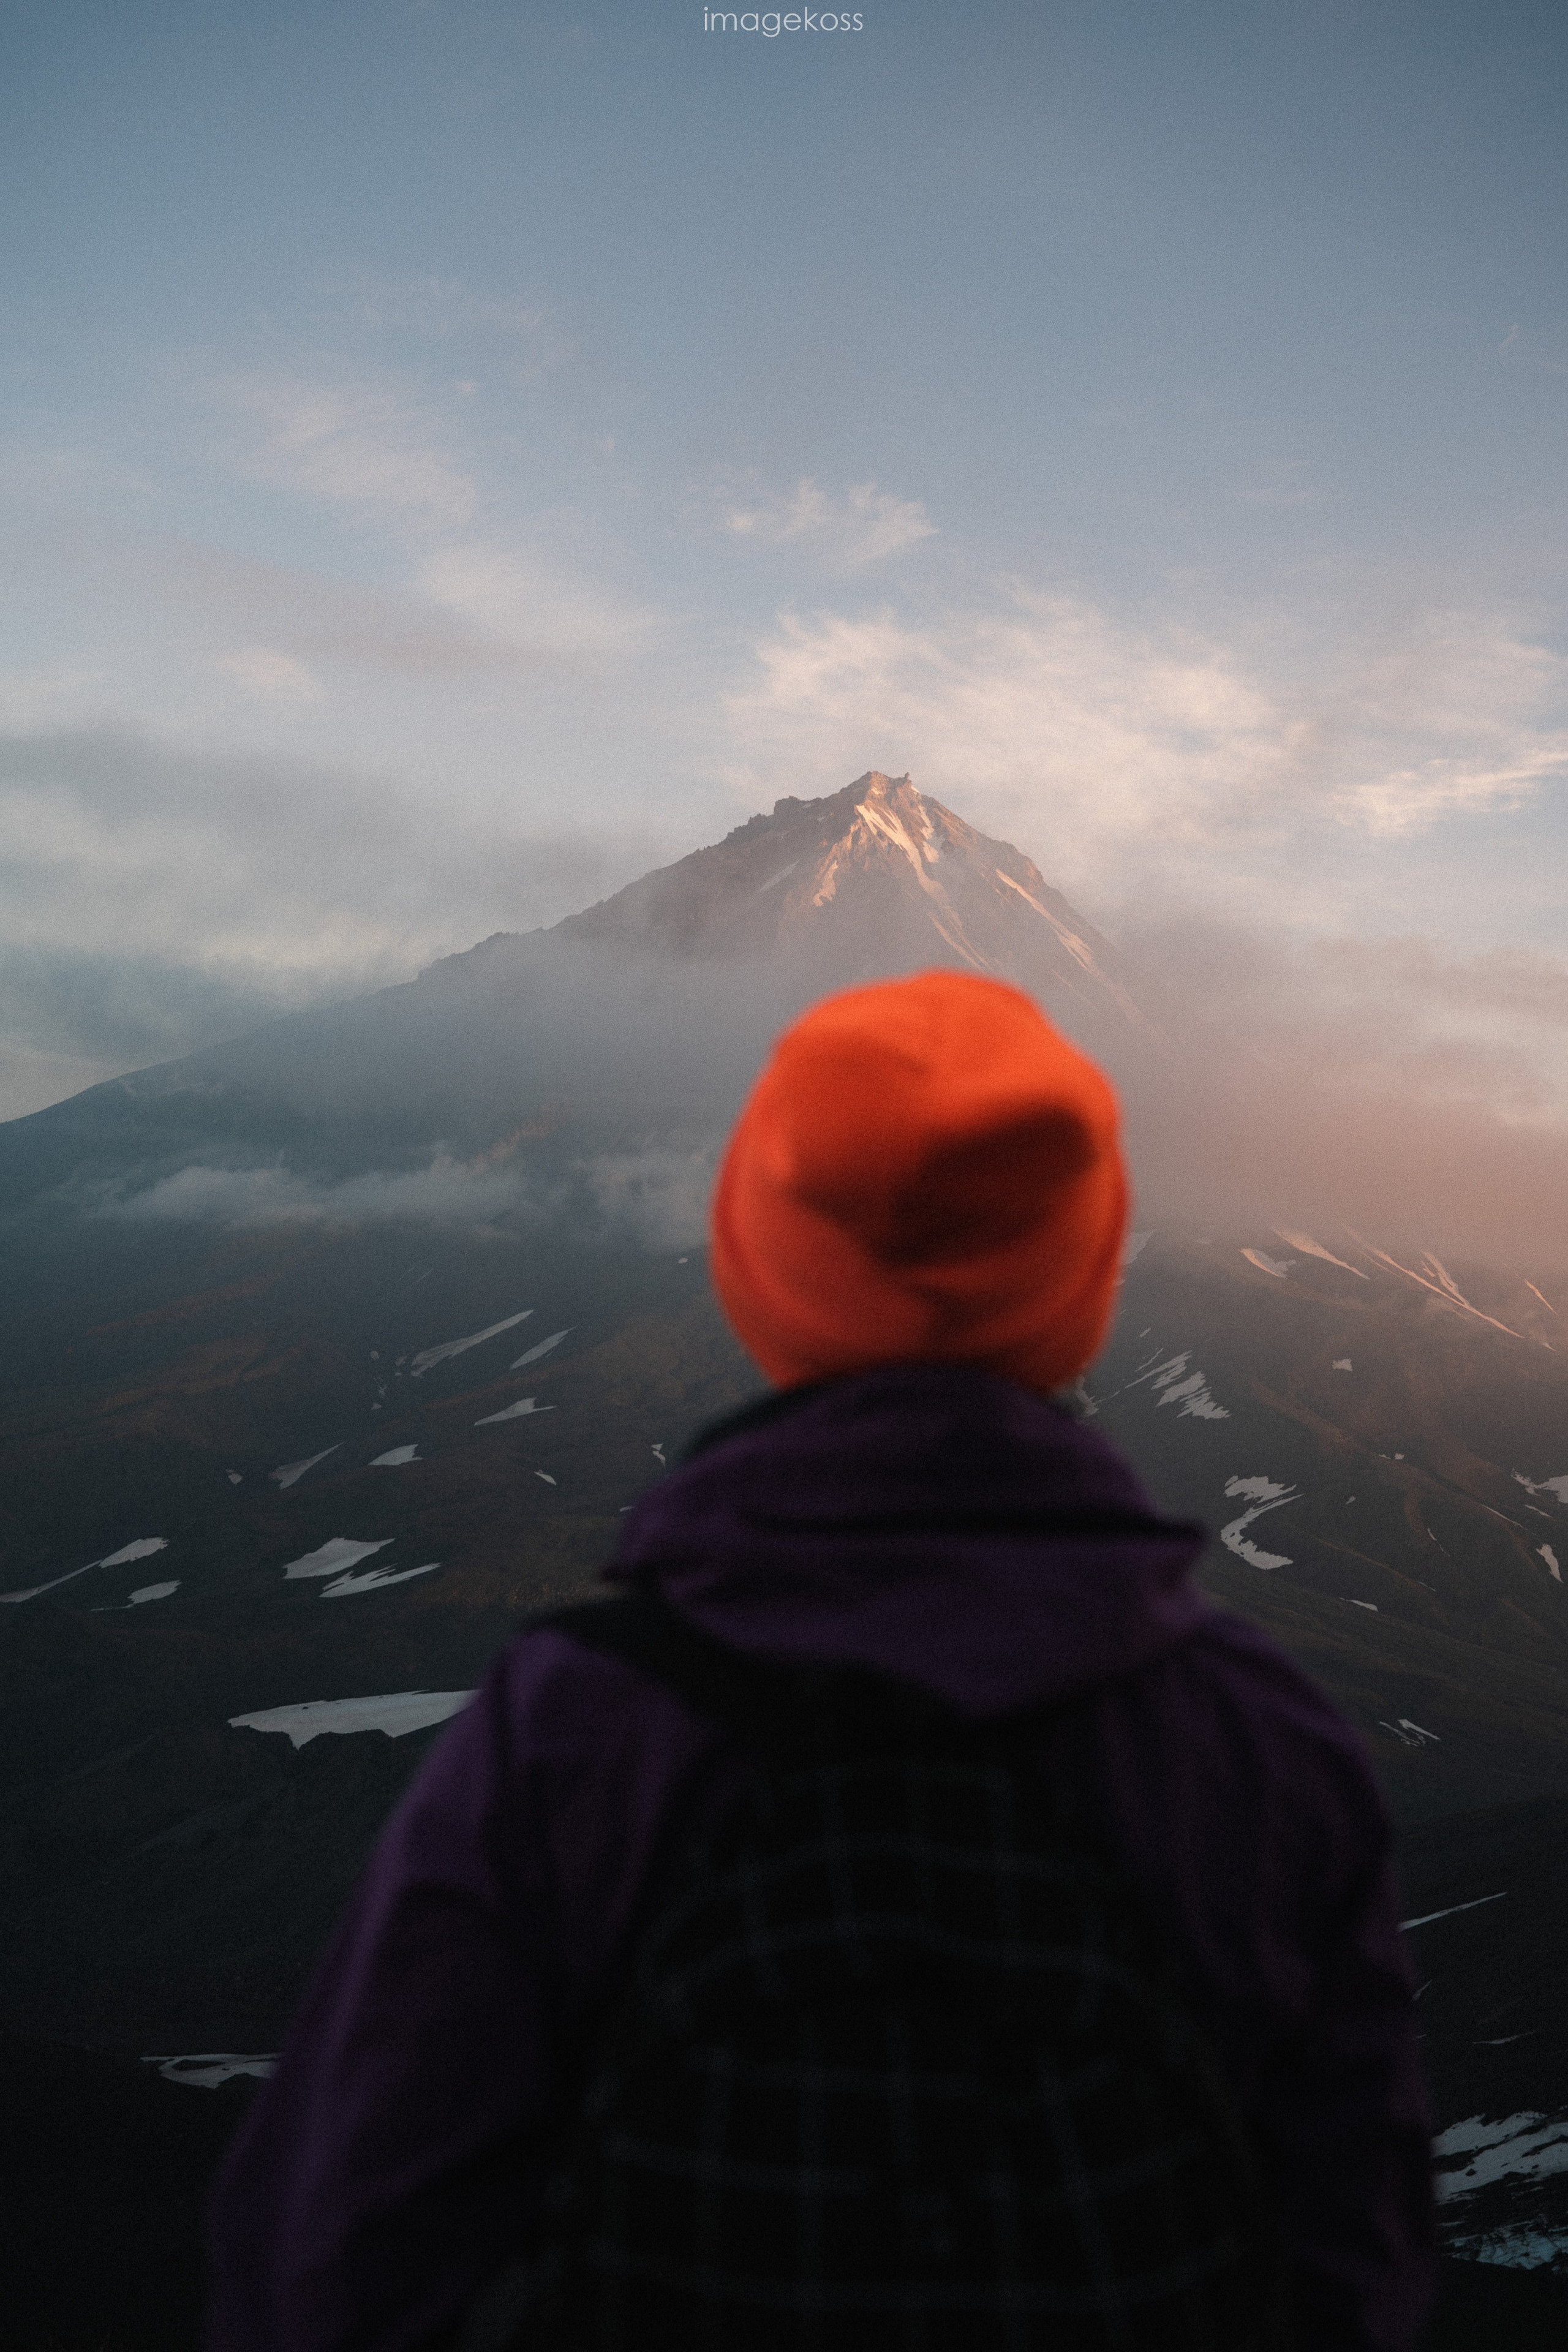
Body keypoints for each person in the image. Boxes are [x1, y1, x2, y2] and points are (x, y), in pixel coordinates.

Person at [206, 970, 1435, 2352]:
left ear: (753, 1265)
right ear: (1087, 1282)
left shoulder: (577, 1723)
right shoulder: (1258, 1744)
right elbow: (1357, 2265)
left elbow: (341, 2253)